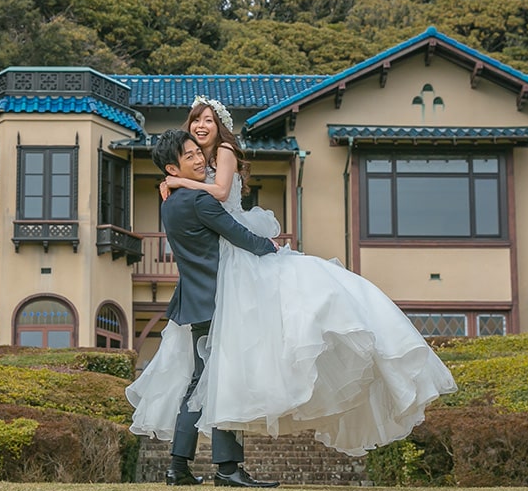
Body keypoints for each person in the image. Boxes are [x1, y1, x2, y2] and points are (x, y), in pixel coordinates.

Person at [132, 96, 457, 458]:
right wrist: (268, 247)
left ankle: (188, 464)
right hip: (226, 270)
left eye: (207, 120)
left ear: (218, 126)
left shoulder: (212, 161)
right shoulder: (193, 186)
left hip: (214, 277)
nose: (200, 128)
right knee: (225, 372)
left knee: (211, 375)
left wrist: (178, 182)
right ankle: (225, 465)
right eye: (195, 122)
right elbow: (222, 213)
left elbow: (221, 194)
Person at [125, 128, 281, 488]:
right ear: (172, 168)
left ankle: (177, 466)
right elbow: (238, 235)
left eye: (198, 152)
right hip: (219, 304)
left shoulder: (170, 203)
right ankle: (227, 469)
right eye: (189, 156)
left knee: (199, 382)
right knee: (222, 380)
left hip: (195, 303)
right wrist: (273, 249)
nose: (199, 159)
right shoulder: (199, 201)